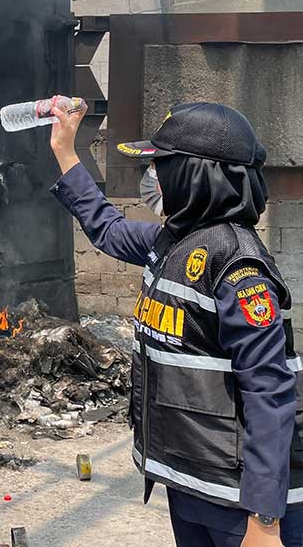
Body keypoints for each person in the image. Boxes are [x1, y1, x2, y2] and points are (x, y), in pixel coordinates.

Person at [49, 101, 303, 547]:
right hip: (191, 480)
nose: (152, 178)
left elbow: (270, 390)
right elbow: (106, 228)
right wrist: (66, 152)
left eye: (160, 166)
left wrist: (265, 521)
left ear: (194, 175)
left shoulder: (236, 265)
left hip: (241, 502)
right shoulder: (169, 243)